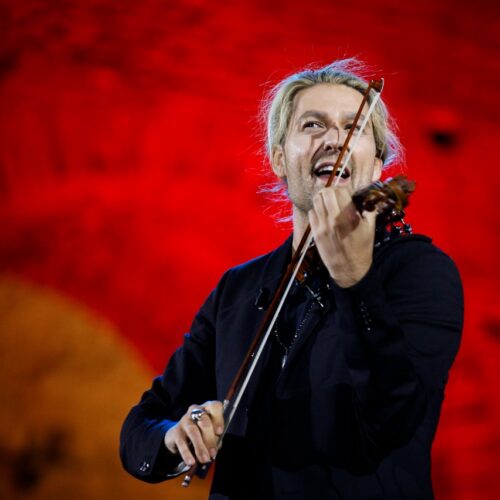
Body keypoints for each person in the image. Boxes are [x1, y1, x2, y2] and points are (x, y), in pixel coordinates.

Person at [120, 59, 463, 499]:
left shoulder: (419, 272)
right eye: (312, 125)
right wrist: (175, 436)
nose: (333, 139)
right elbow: (141, 427)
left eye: (352, 128)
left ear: (377, 166)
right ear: (279, 159)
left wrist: (355, 282)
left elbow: (392, 418)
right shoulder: (238, 289)